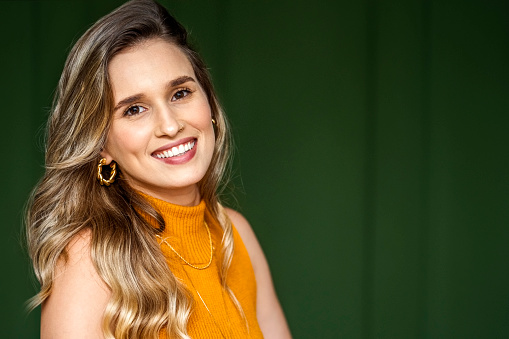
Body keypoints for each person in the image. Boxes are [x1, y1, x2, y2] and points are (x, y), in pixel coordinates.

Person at [25, 0, 292, 338]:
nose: (169, 125)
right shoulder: (90, 261)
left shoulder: (235, 236)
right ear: (101, 145)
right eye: (134, 109)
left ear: (208, 102)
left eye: (180, 93)